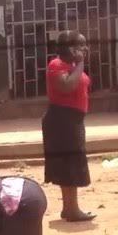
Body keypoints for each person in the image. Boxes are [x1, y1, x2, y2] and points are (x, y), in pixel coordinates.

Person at [43, 30, 96, 222]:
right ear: (71, 47)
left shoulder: (72, 65)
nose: (85, 49)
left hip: (72, 119)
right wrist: (81, 63)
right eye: (81, 45)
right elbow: (66, 86)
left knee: (72, 162)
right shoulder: (56, 65)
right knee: (68, 163)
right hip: (60, 119)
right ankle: (72, 209)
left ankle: (69, 208)